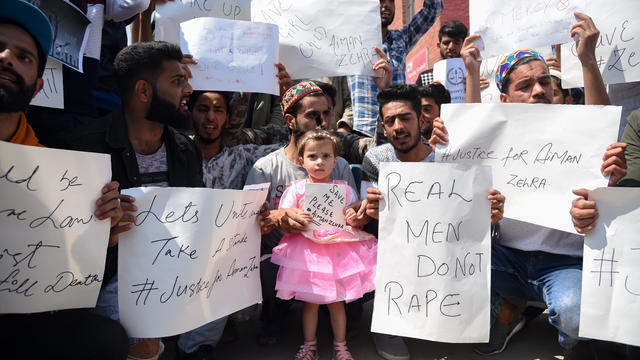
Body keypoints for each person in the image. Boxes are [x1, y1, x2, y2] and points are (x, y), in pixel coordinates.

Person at [435, 13, 627, 359]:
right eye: (525, 86)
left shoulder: (576, 131)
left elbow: (600, 127)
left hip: (563, 261)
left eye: (545, 83)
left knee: (575, 314)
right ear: (504, 101)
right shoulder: (492, 136)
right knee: (440, 259)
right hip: (505, 256)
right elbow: (471, 133)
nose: (539, 90)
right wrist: (471, 74)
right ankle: (512, 304)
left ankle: (572, 340)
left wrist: (586, 60)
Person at [0, 1, 128, 358]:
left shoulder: (60, 173)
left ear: (38, 86)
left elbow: (62, 273)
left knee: (104, 340)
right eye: (0, 46)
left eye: (24, 57)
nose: (8, 58)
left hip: (22, 318)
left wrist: (102, 237)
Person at [61, 40, 201, 360]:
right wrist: (100, 229)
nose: (188, 89)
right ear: (143, 91)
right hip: (108, 278)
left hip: (172, 274)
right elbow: (58, 241)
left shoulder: (186, 150)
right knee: (144, 345)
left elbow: (195, 218)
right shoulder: (83, 148)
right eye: (177, 81)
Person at [361, 84, 505, 360]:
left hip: (448, 249)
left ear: (421, 119)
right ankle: (389, 324)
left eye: (405, 118)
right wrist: (370, 211)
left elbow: (475, 223)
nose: (398, 127)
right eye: (390, 121)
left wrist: (491, 216)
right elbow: (372, 216)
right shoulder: (376, 159)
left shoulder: (450, 157)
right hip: (400, 248)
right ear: (382, 125)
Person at [245, 81, 359, 346]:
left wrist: (357, 213)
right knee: (265, 269)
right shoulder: (265, 168)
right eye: (311, 115)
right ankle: (275, 315)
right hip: (283, 258)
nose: (322, 122)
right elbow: (246, 224)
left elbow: (353, 214)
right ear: (290, 120)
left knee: (361, 261)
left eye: (327, 114)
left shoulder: (339, 166)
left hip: (331, 255)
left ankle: (344, 313)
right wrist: (274, 218)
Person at [271, 129, 376, 360]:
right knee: (310, 303)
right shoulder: (296, 189)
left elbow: (353, 220)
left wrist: (351, 215)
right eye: (313, 156)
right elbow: (284, 214)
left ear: (335, 160)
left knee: (336, 303)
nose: (320, 162)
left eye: (326, 156)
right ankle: (310, 345)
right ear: (302, 161)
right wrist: (295, 215)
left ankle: (341, 346)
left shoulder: (344, 189)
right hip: (307, 255)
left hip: (337, 255)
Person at [348, 0, 443, 137]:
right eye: (380, 1)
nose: (386, 5)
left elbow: (432, 10)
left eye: (391, 1)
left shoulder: (401, 38)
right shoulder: (349, 42)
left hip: (398, 130)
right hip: (363, 132)